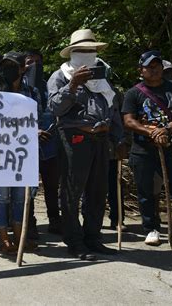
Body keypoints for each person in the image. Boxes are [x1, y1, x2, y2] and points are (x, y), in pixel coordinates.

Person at [48, 29, 120, 260]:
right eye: (82, 50)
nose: (87, 54)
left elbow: (113, 108)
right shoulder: (60, 76)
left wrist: (119, 138)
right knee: (72, 191)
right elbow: (55, 109)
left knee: (98, 191)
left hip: (101, 140)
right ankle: (75, 241)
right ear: (72, 53)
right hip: (75, 140)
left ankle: (93, 238)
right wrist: (73, 85)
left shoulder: (103, 78)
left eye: (91, 50)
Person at [122, 50, 172, 247]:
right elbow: (128, 121)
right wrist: (150, 132)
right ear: (140, 70)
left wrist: (167, 128)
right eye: (149, 67)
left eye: (157, 66)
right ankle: (151, 228)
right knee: (146, 191)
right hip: (143, 149)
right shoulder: (133, 93)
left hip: (171, 146)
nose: (154, 70)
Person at [0, 51, 37, 255]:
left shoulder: (31, 92)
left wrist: (38, 131)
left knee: (20, 197)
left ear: (23, 68)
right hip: (0, 152)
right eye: (5, 65)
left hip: (25, 153)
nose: (7, 69)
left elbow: (38, 118)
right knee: (2, 196)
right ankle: (4, 238)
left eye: (13, 65)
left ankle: (19, 235)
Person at [22, 50, 62, 238]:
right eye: (30, 62)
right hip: (27, 145)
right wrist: (32, 132)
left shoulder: (50, 86)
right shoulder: (19, 89)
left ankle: (55, 220)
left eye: (38, 62)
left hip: (50, 143)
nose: (34, 65)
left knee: (52, 186)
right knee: (28, 187)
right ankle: (29, 223)